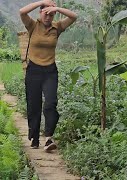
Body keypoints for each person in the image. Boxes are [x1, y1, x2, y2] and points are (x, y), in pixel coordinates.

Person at [19, 0, 77, 151]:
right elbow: (22, 12)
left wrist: (56, 7)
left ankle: (48, 138)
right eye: (46, 13)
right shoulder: (33, 25)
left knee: (50, 103)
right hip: (33, 71)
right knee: (34, 105)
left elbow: (73, 17)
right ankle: (35, 138)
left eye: (52, 14)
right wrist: (42, 2)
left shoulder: (57, 27)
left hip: (50, 71)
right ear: (40, 13)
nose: (48, 17)